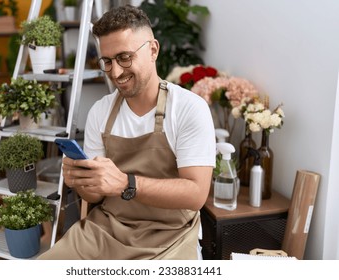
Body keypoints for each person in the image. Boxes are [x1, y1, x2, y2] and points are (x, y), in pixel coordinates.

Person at [38, 4, 216, 260]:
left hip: (169, 237)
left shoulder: (189, 108)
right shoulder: (100, 112)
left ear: (153, 50)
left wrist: (126, 183)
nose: (116, 72)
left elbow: (196, 194)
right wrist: (81, 180)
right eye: (107, 62)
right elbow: (94, 196)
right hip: (107, 230)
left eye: (124, 57)